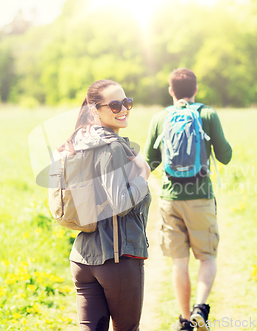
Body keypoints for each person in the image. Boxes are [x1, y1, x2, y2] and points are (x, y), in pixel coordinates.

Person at [144, 68, 232, 331]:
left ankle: (185, 321)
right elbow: (225, 156)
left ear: (170, 90)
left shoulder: (160, 118)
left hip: (170, 199)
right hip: (200, 197)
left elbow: (151, 161)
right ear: (196, 90)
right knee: (207, 257)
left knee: (179, 262)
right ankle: (200, 308)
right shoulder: (207, 114)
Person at [64, 80, 151, 331]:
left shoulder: (78, 143)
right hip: (117, 259)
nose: (123, 109)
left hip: (83, 257)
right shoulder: (111, 147)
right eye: (114, 104)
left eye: (127, 102)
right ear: (95, 111)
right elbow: (121, 203)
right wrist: (143, 177)